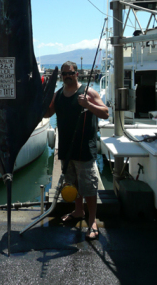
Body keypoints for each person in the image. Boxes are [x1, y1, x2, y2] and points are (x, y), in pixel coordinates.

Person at [45, 61, 109, 240]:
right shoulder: (58, 95)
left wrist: (88, 105)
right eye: (64, 74)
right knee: (72, 184)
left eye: (70, 73)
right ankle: (78, 211)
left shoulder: (87, 92)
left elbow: (105, 113)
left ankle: (92, 220)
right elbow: (47, 114)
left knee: (89, 187)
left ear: (77, 73)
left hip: (84, 149)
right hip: (66, 148)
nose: (67, 76)